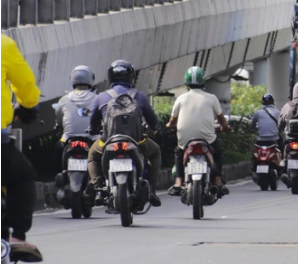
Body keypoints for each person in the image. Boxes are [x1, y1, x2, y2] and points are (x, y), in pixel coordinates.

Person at [87, 60, 162, 207]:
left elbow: (93, 122)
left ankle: (99, 189)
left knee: (92, 156)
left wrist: (92, 129)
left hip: (107, 142)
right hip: (137, 142)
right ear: (131, 77)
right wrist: (154, 128)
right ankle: (152, 189)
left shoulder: (101, 97)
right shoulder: (139, 96)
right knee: (156, 152)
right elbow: (153, 120)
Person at [1, 34, 43, 261]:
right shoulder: (3, 44)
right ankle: (16, 237)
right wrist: (27, 106)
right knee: (22, 175)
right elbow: (25, 85)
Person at [165, 66, 231, 197]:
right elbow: (222, 120)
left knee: (178, 152)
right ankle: (218, 181)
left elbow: (172, 121)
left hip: (185, 139)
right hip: (207, 139)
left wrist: (169, 126)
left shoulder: (181, 98)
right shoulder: (212, 98)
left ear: (186, 83)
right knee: (217, 152)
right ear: (203, 82)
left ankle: (178, 182)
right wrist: (225, 127)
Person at [54, 65, 99, 161]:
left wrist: (59, 126)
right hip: (93, 138)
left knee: (58, 150)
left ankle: (62, 172)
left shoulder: (64, 99)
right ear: (91, 78)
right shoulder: (97, 99)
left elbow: (58, 118)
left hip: (68, 139)